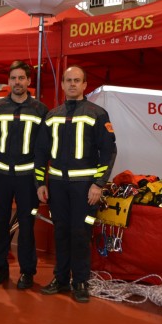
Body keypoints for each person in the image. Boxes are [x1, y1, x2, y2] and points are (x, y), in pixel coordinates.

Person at [34, 65, 117, 303]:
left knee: (81, 234)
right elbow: (40, 152)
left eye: (76, 80)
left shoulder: (97, 114)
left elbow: (109, 152)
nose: (72, 84)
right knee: (60, 232)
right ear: (62, 84)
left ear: (84, 85)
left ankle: (80, 281)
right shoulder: (52, 115)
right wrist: (41, 182)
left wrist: (98, 184)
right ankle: (60, 279)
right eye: (68, 80)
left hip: (85, 188)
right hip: (58, 186)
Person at [0, 61, 48, 289]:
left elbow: (43, 148)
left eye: (22, 78)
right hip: (0, 177)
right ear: (8, 81)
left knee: (26, 226)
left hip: (27, 179)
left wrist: (40, 178)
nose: (17, 82)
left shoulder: (40, 110)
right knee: (0, 223)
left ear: (29, 81)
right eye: (13, 78)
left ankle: (27, 272)